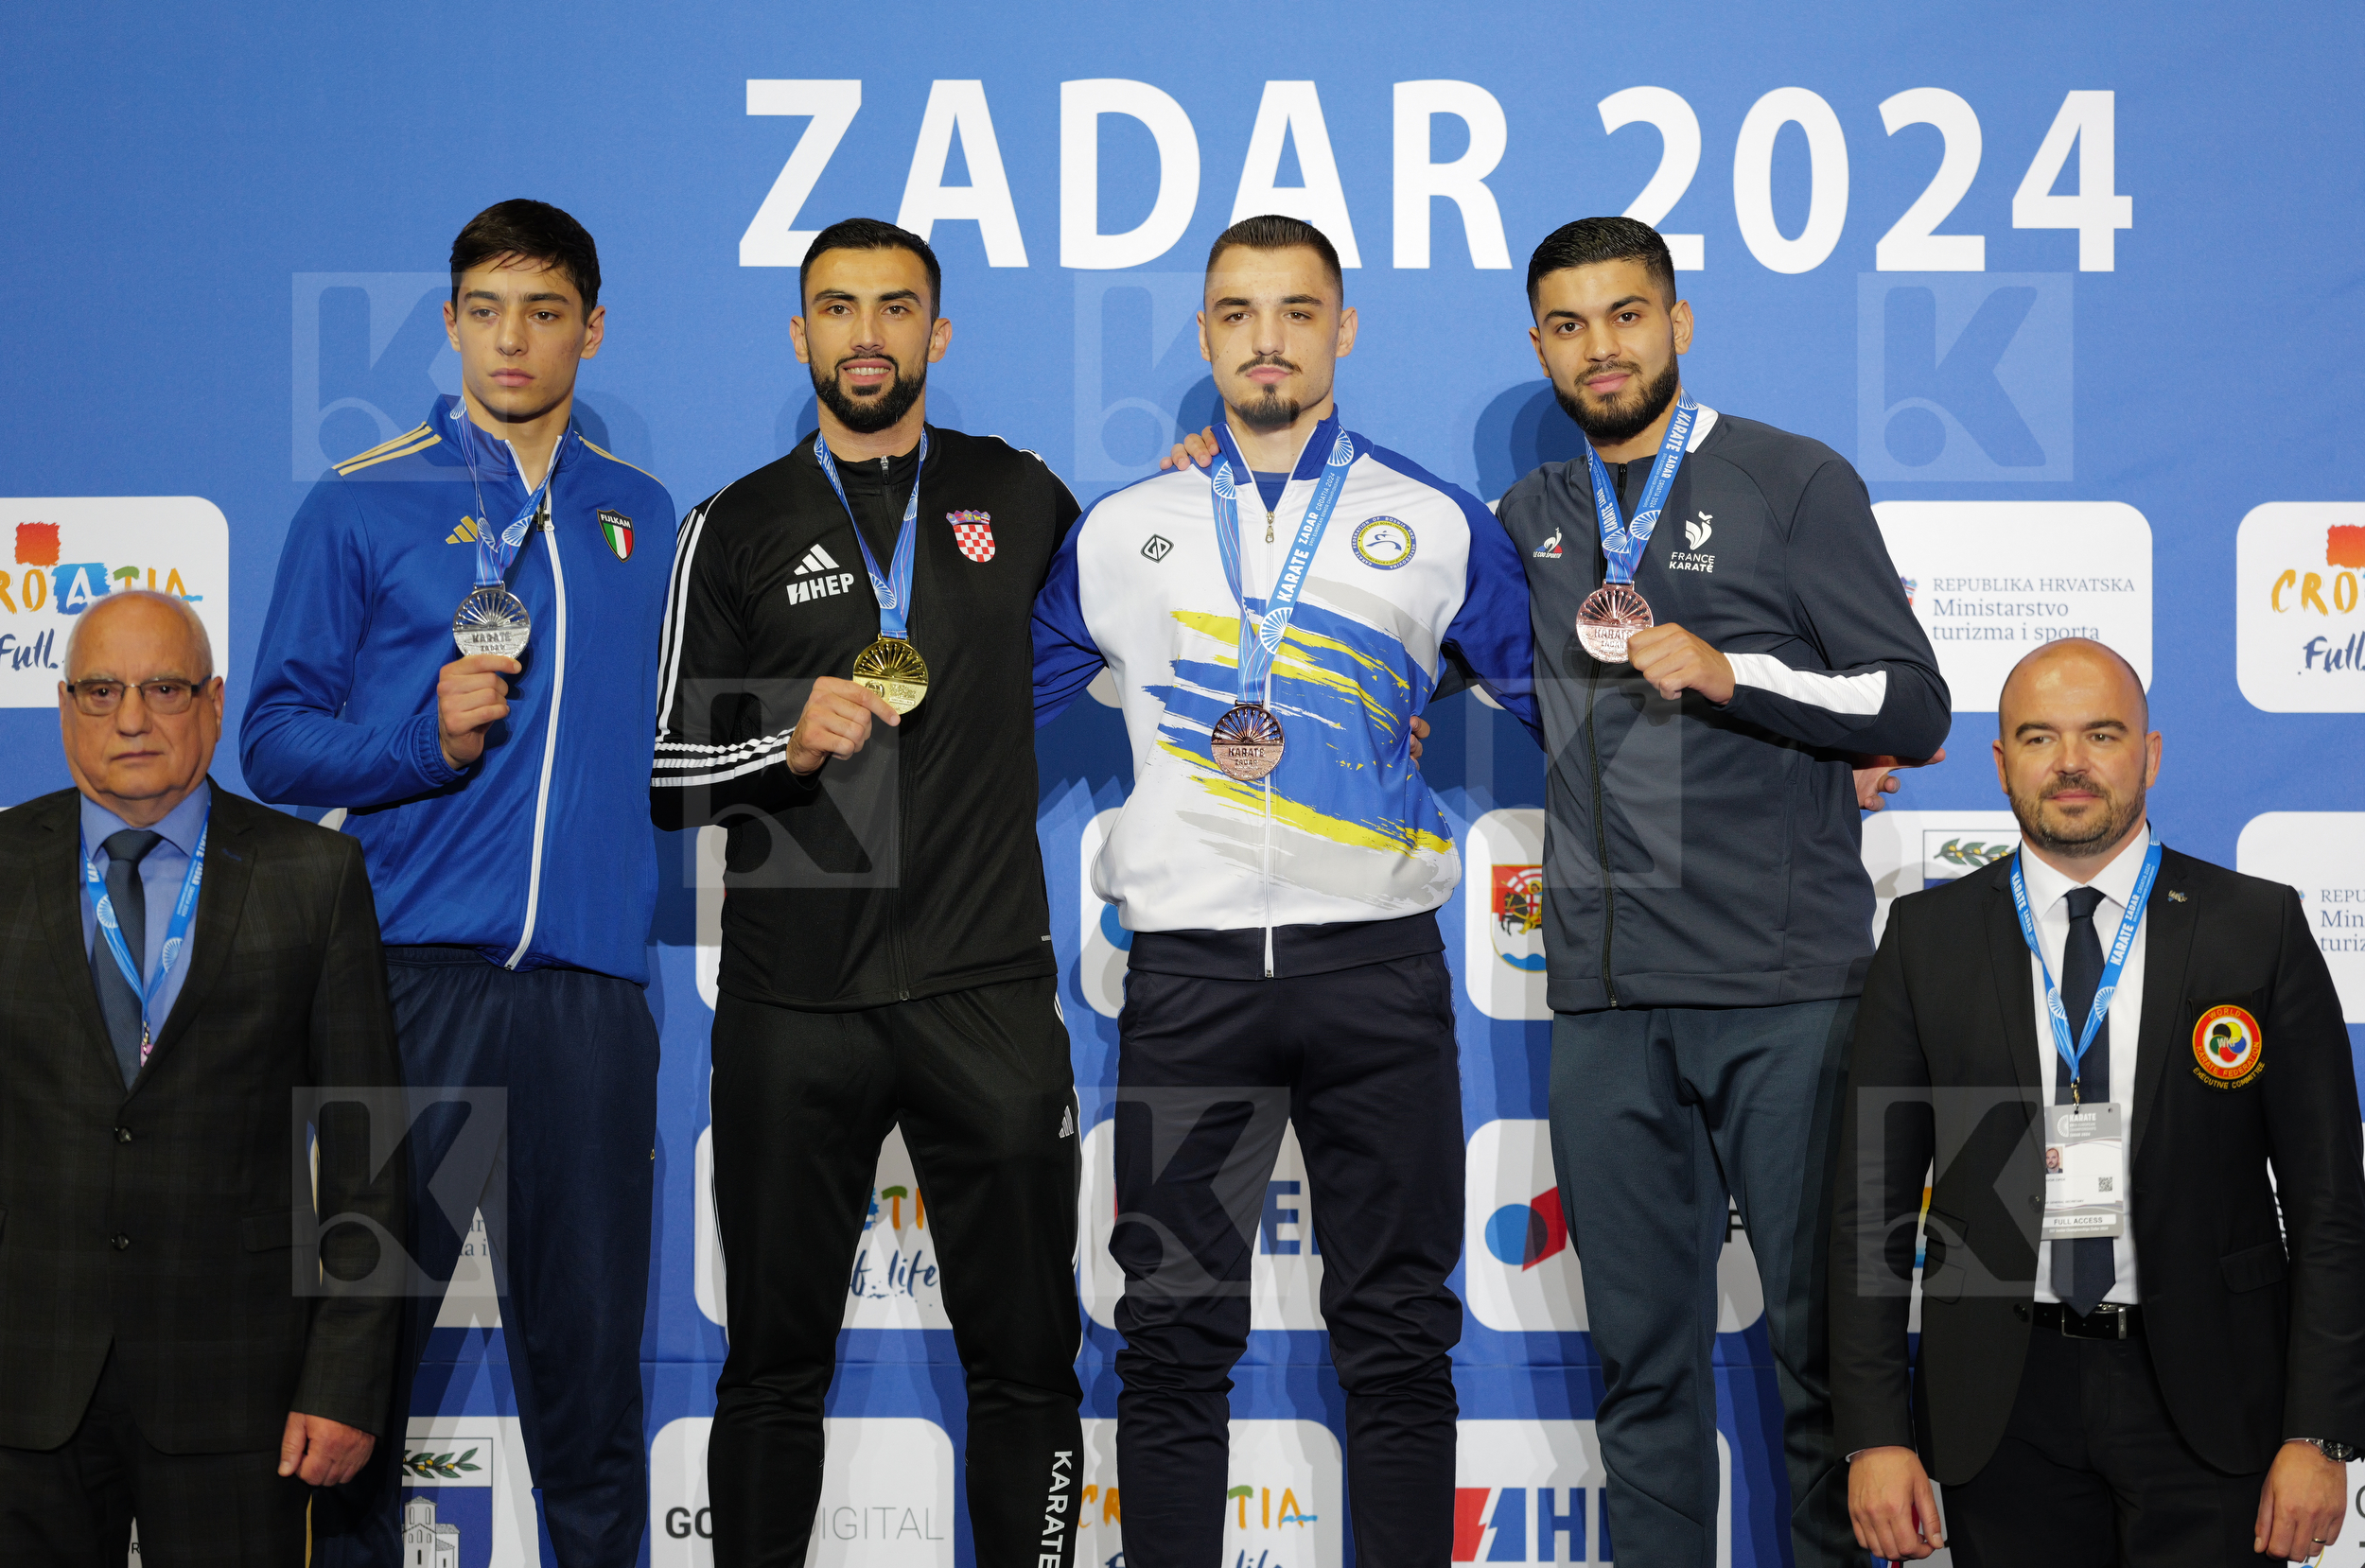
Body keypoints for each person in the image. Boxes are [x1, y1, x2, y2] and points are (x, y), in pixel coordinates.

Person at [1034, 214, 1541, 1568]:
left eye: (1299, 311)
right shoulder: (1122, 528)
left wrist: (1786, 771)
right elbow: (978, 722)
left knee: (1395, 1329)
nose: (1268, 338)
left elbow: (1581, 711)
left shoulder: (1433, 519)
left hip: (1376, 966)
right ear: (1205, 334)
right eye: (1239, 311)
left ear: (1343, 330)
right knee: (1172, 1332)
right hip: (1190, 974)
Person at [1487, 216, 1952, 1568]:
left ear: (1678, 322)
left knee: (1824, 1368)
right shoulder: (1531, 517)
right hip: (1609, 1000)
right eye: (1570, 326)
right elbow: (1388, 585)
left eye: (1627, 315)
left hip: (1784, 989)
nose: (1602, 348)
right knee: (1641, 1373)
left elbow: (1912, 705)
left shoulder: (1790, 480)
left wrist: (1736, 671)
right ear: (1540, 348)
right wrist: (1219, 466)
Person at [242, 199, 675, 1566]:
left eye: (545, 313)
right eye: (486, 309)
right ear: (449, 321)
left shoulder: (641, 512)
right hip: (401, 992)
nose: (513, 339)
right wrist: (415, 743)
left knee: (595, 1397)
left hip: (591, 1005)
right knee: (357, 1385)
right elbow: (269, 739)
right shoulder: (363, 498)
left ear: (591, 330)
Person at [650, 217, 1085, 1568]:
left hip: (987, 991)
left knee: (1029, 1364)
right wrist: (782, 736)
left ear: (937, 336)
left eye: (897, 309)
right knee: (773, 1369)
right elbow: (671, 771)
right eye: (836, 309)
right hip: (795, 1005)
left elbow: (1144, 610)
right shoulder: (735, 522)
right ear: (799, 334)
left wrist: (1191, 490)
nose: (867, 335)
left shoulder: (1022, 495)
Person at [1832, 636, 2365, 1566]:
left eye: (2101, 733)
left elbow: (2330, 1207)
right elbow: (1867, 1207)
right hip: (2001, 1405)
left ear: (2149, 753)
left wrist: (2318, 1432)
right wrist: (1875, 1434)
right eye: (2038, 736)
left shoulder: (2256, 925)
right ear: (2002, 763)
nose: (2070, 762)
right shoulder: (1925, 938)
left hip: (2213, 1396)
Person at [0, 590, 405, 1566]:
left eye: (163, 687)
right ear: (63, 708)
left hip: (243, 1390)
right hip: (23, 1383)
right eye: (100, 690)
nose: (131, 718)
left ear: (214, 704)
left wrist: (346, 1380)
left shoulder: (315, 873)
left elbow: (372, 1154)